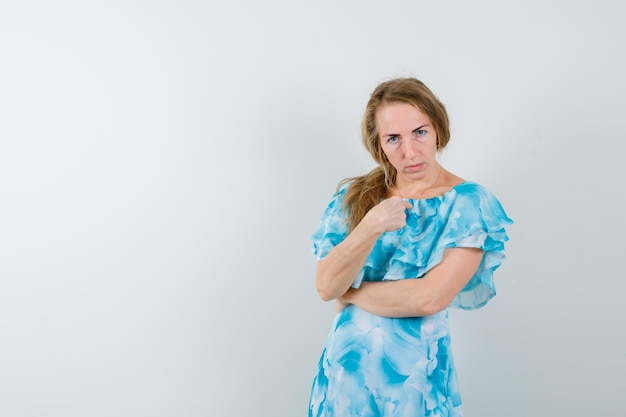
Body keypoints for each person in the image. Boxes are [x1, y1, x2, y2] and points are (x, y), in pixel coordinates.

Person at [308, 77, 513, 417]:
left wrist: (352, 293)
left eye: (420, 132)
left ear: (437, 129)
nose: (410, 152)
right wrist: (371, 225)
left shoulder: (468, 204)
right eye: (394, 139)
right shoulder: (355, 197)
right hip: (343, 388)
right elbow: (325, 285)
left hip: (416, 391)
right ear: (379, 145)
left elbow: (429, 297)